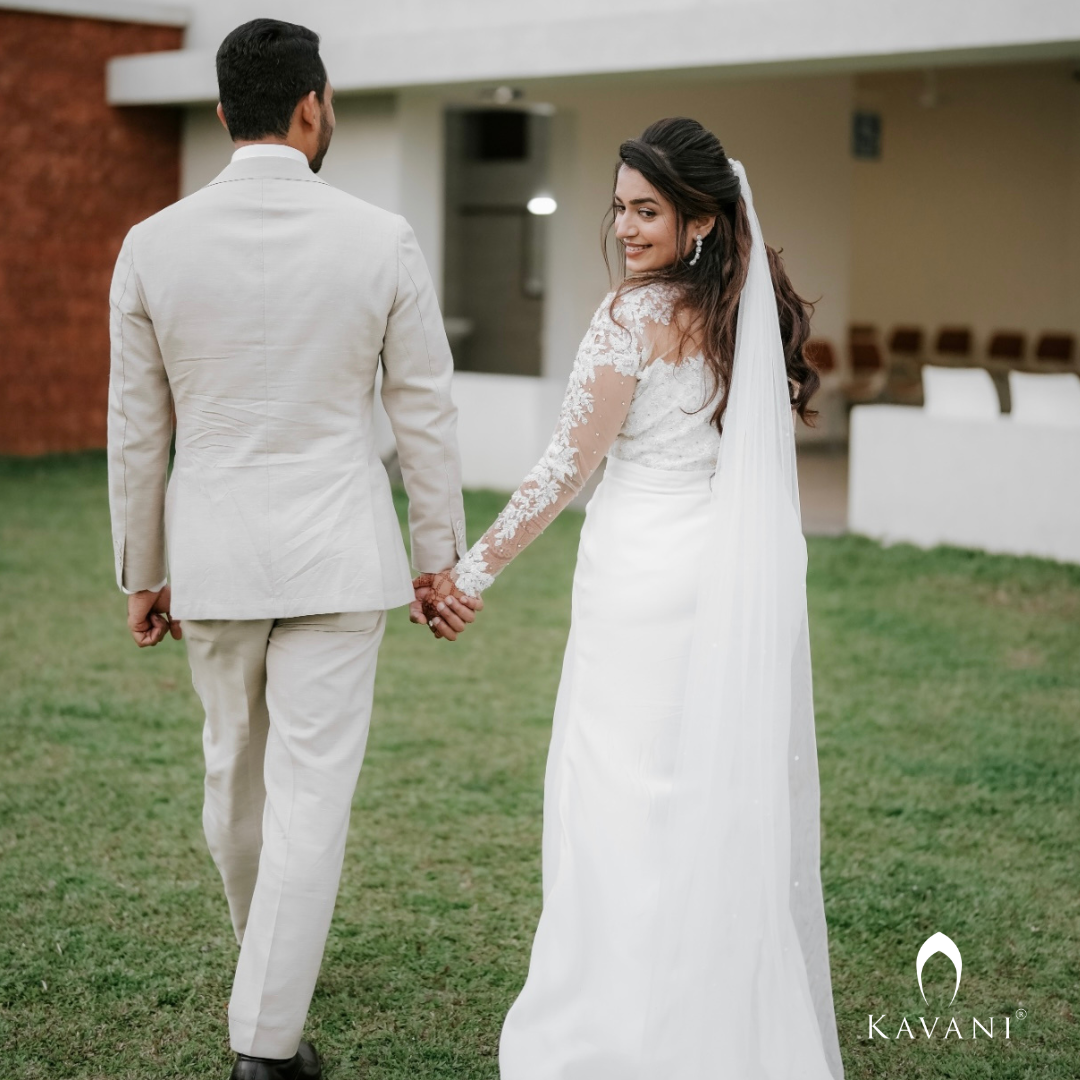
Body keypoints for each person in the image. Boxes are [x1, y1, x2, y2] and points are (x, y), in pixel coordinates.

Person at [421, 118, 846, 1079]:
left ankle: (612, 1026)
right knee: (693, 796)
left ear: (700, 218)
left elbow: (564, 470)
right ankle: (705, 1014)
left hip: (641, 584)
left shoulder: (630, 318)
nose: (623, 226)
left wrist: (467, 576)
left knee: (615, 797)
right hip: (713, 577)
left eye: (645, 210)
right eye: (618, 207)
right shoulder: (742, 313)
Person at [107, 19, 480, 1080]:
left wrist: (141, 571)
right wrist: (436, 553)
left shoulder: (152, 243)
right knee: (309, 792)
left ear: (226, 114)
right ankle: (267, 1037)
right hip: (338, 556)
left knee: (235, 779)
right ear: (313, 105)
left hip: (213, 557)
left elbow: (137, 426)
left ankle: (265, 979)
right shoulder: (382, 238)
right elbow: (426, 411)